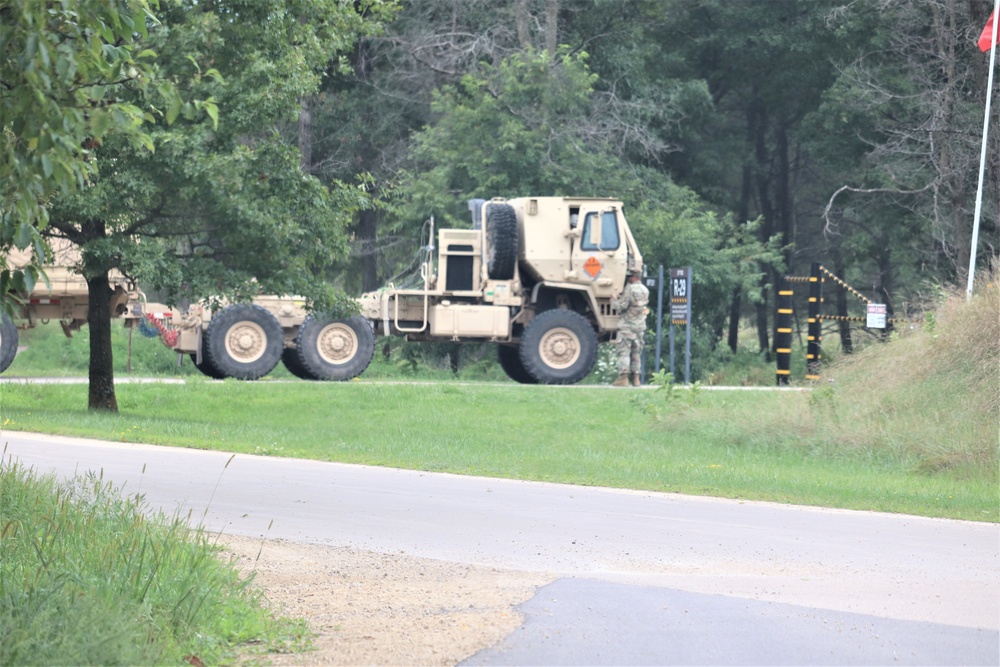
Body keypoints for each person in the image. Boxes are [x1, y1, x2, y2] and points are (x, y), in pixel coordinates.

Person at [611, 269, 649, 387]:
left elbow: (621, 306)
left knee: (624, 352)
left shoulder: (630, 289)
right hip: (639, 327)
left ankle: (623, 378)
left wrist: (613, 300)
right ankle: (636, 379)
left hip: (627, 326)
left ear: (633, 277)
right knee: (636, 353)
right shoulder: (645, 290)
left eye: (629, 277)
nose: (627, 279)